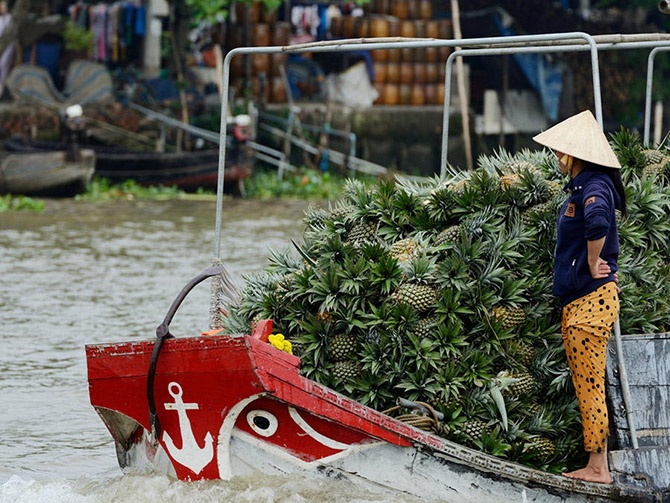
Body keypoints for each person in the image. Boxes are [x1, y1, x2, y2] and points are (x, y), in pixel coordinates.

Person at [533, 110, 627, 484]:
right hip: (584, 301)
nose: (559, 158)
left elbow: (599, 220)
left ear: (576, 155)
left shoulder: (593, 186)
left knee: (590, 384)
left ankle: (598, 467)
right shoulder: (584, 185)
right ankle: (596, 463)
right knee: (586, 382)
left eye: (562, 152)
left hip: (590, 301)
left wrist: (592, 262)